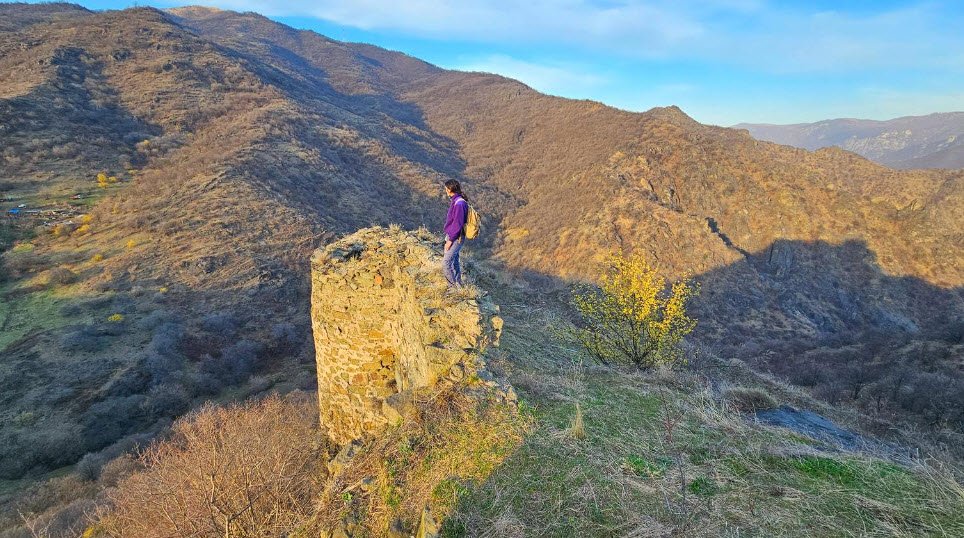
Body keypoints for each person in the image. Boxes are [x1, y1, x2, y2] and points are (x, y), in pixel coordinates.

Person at [442, 179, 468, 287]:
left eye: (446, 188)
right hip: (454, 235)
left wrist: (450, 240)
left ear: (450, 189)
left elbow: (457, 224)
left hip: (456, 237)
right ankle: (458, 284)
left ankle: (452, 288)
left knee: (446, 262)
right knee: (454, 261)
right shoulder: (456, 200)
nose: (445, 190)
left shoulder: (459, 203)